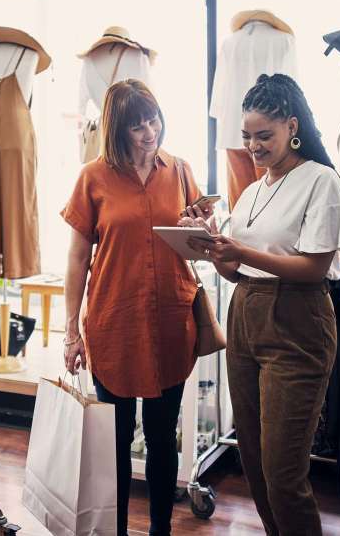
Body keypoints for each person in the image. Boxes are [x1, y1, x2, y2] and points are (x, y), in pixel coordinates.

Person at [183, 74, 340, 536]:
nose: (253, 147)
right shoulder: (254, 191)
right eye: (247, 137)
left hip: (297, 321)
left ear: (292, 127)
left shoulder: (321, 182)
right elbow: (238, 272)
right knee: (255, 465)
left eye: (264, 136)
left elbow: (315, 268)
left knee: (283, 473)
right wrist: (215, 249)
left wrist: (242, 253)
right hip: (245, 317)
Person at [61, 78, 211, 536]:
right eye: (137, 127)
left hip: (170, 321)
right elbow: (76, 258)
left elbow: (199, 245)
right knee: (117, 442)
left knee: (164, 438)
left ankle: (160, 531)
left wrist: (200, 227)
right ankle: (119, 531)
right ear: (117, 131)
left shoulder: (181, 171)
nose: (150, 132)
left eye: (154, 120)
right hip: (114, 323)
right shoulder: (93, 177)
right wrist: (71, 330)